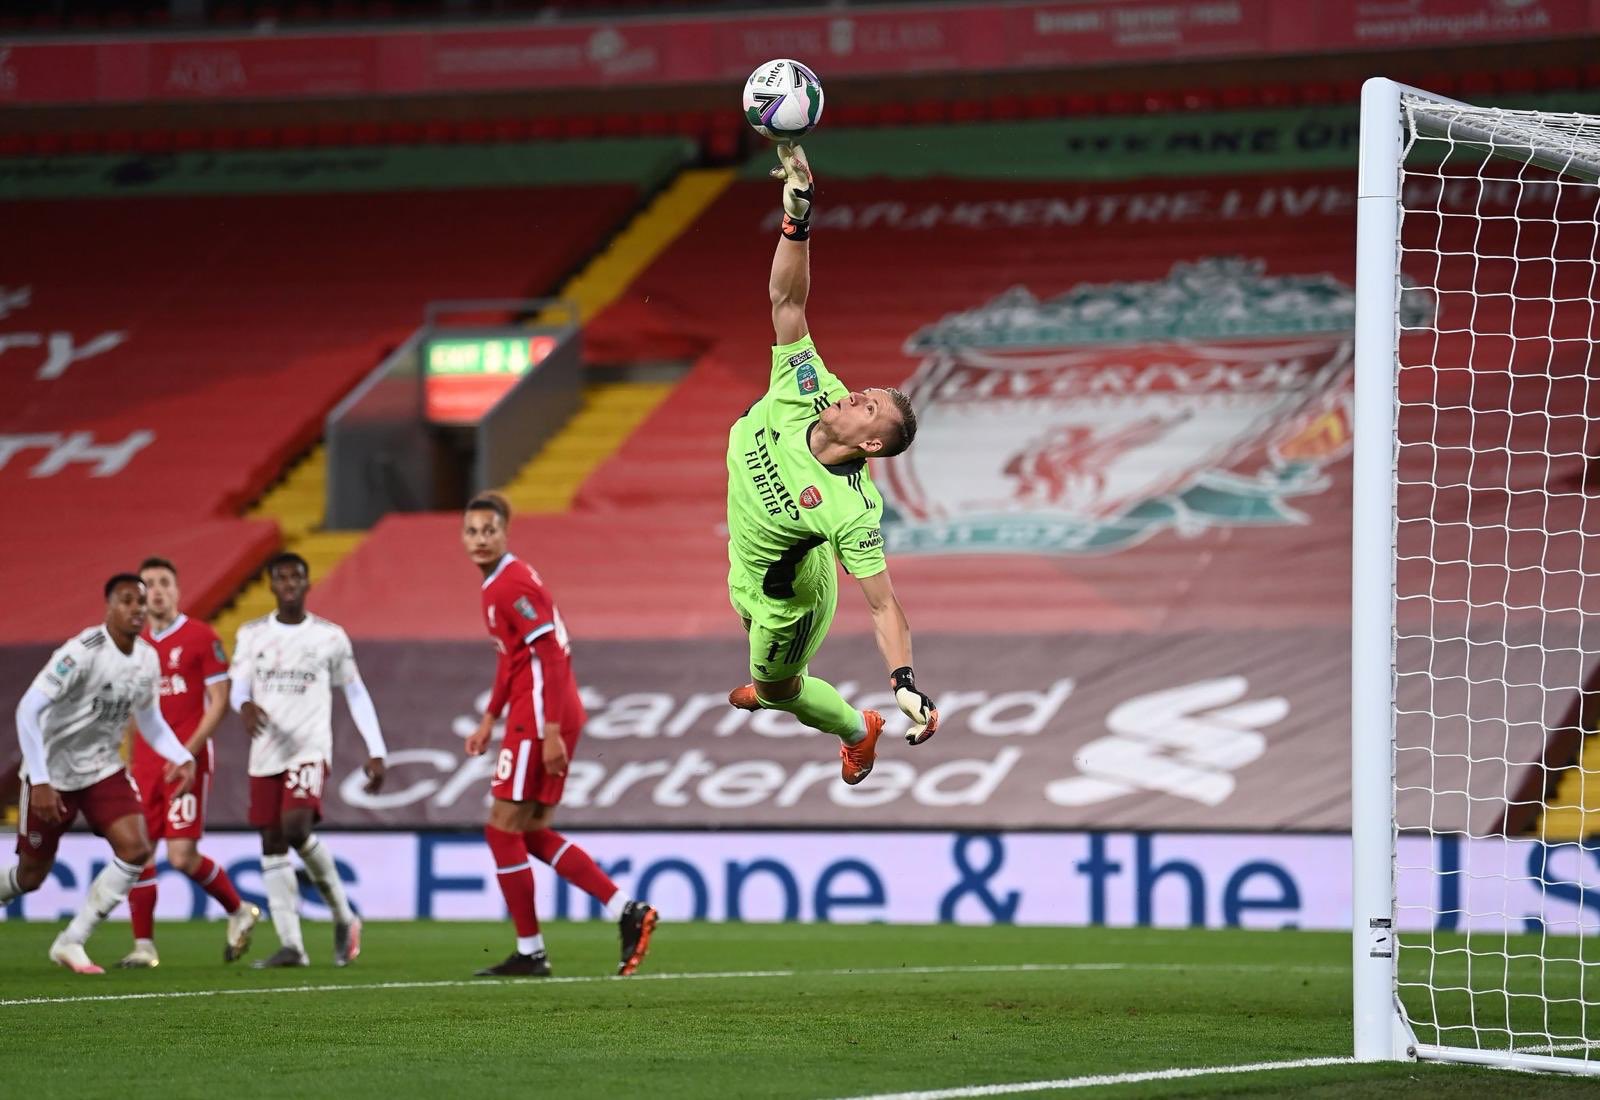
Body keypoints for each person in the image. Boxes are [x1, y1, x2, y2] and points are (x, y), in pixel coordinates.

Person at [723, 142, 940, 784]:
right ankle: (771, 675)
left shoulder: (851, 507)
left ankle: (855, 728)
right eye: (866, 391)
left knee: (783, 688)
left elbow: (882, 604)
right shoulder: (808, 380)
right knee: (751, 632)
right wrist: (797, 215)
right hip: (749, 547)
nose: (856, 394)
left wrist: (904, 682)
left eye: (869, 407)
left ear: (872, 446)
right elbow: (786, 303)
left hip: (790, 590)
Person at [461, 492, 657, 978]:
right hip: (541, 712)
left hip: (541, 715)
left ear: (506, 532)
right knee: (527, 831)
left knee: (499, 827)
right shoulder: (498, 586)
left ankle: (531, 952)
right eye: (472, 531)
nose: (481, 539)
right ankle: (625, 909)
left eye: (489, 530)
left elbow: (549, 652)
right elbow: (512, 658)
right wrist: (490, 717)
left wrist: (548, 731)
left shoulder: (509, 584)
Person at [0, 575, 197, 974]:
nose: (137, 609)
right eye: (127, 601)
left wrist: (183, 756)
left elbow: (150, 719)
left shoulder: (146, 658)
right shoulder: (81, 651)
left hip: (103, 769)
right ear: (109, 606)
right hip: (51, 773)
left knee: (136, 848)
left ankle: (71, 940)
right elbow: (27, 710)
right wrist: (39, 779)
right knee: (32, 875)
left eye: (141, 602)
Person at [230, 552, 387, 968]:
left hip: (309, 748)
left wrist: (376, 749)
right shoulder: (251, 634)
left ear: (306, 582)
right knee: (271, 841)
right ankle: (292, 946)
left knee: (295, 826)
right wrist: (244, 706)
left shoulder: (330, 637)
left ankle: (344, 916)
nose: (289, 583)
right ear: (270, 584)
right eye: (281, 577)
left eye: (296, 576)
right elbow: (237, 688)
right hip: (265, 751)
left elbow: (355, 691)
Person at [118, 556, 260, 968]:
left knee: (181, 856)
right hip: (143, 764)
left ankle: (238, 910)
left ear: (178, 591)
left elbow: (218, 703)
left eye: (164, 582)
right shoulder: (134, 645)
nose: (157, 591)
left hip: (188, 762)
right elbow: (130, 709)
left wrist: (188, 752)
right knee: (137, 853)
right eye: (149, 585)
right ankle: (144, 946)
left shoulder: (200, 637)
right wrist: (125, 758)